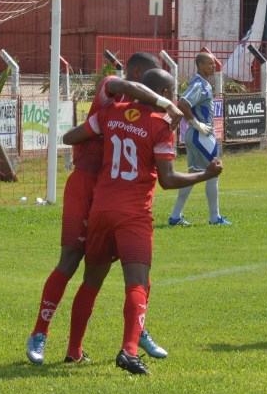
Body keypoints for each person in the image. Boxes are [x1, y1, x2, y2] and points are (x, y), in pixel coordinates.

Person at [62, 69, 224, 375]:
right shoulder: (161, 126)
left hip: (101, 209)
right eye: (173, 91)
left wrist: (100, 143)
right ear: (163, 92)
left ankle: (74, 350)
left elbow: (71, 136)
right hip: (133, 213)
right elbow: (168, 179)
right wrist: (206, 174)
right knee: (137, 283)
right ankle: (130, 351)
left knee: (91, 283)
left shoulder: (112, 111)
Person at [26, 52, 182, 365]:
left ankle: (136, 332)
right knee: (71, 261)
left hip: (111, 192)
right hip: (86, 186)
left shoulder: (134, 108)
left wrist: (175, 110)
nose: (150, 89)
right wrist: (168, 105)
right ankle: (39, 333)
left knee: (136, 266)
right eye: (148, 79)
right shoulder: (113, 86)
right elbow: (139, 95)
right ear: (136, 73)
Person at [168, 51, 231, 226]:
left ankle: (175, 216)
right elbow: (182, 103)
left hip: (195, 135)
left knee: (194, 174)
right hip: (200, 135)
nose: (214, 66)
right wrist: (197, 124)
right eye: (210, 63)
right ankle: (214, 218)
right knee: (213, 173)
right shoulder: (199, 85)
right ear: (201, 65)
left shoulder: (202, 84)